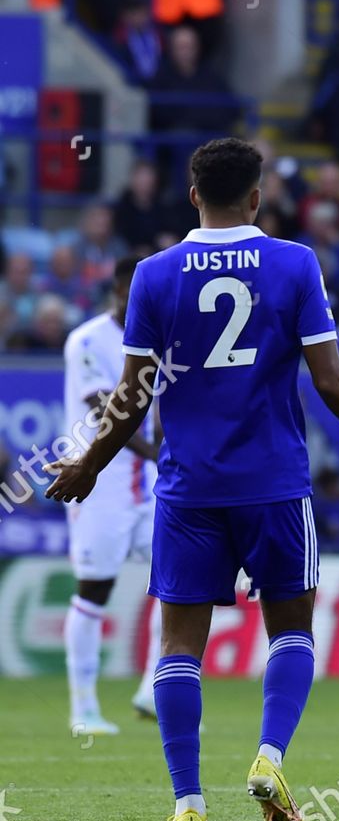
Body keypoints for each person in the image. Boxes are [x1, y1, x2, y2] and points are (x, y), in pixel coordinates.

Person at [45, 137, 339, 821]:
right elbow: (332, 377)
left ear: (193, 196)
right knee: (291, 627)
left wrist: (92, 462)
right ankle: (270, 756)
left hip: (188, 488)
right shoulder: (294, 263)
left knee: (179, 644)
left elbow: (131, 395)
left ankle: (188, 806)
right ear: (258, 197)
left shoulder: (155, 275)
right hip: (273, 483)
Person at [60, 255, 162, 735]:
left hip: (153, 488)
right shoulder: (86, 341)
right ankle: (84, 710)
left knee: (178, 582)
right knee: (94, 590)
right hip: (101, 486)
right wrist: (159, 452)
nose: (136, 299)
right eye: (129, 290)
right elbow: (109, 408)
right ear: (117, 291)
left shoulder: (161, 337)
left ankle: (152, 691)